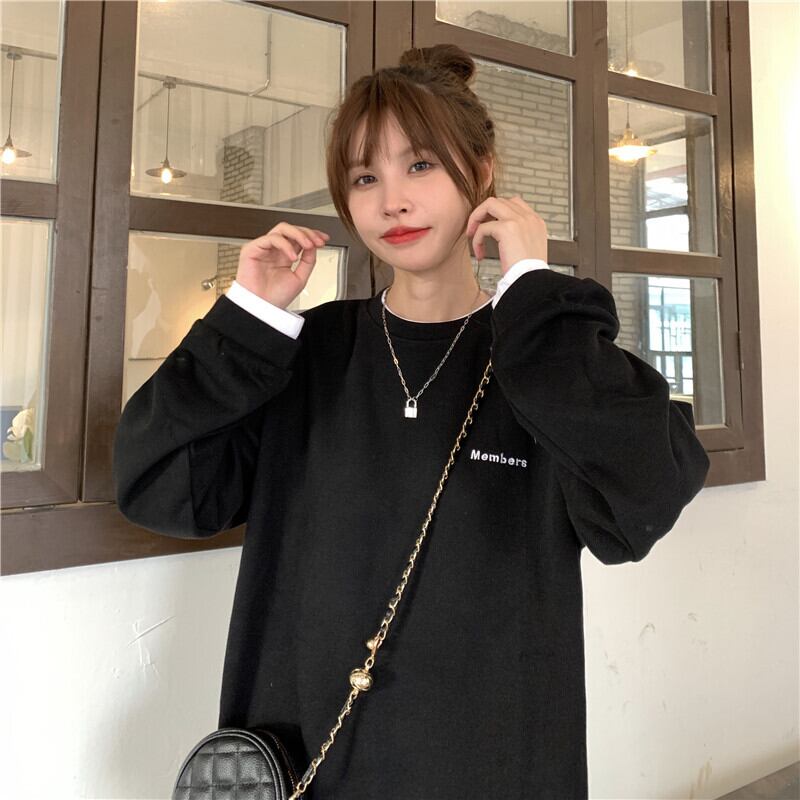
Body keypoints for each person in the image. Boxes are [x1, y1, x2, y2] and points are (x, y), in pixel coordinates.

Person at [113, 44, 710, 799]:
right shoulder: (309, 351)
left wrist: (530, 290)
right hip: (306, 760)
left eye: (420, 165)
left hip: (491, 771)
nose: (391, 201)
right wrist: (248, 317)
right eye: (365, 177)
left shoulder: (541, 357)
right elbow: (160, 488)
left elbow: (641, 502)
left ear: (481, 173)